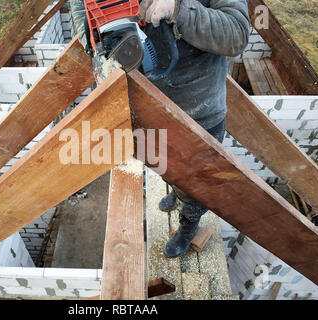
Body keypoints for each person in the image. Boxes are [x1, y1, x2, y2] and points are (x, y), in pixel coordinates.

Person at [69, 0, 250, 258]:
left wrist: (177, 8)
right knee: (165, 166)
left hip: (198, 111)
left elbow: (237, 34)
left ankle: (189, 223)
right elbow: (80, 5)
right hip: (150, 105)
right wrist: (95, 39)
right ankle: (176, 192)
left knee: (196, 183)